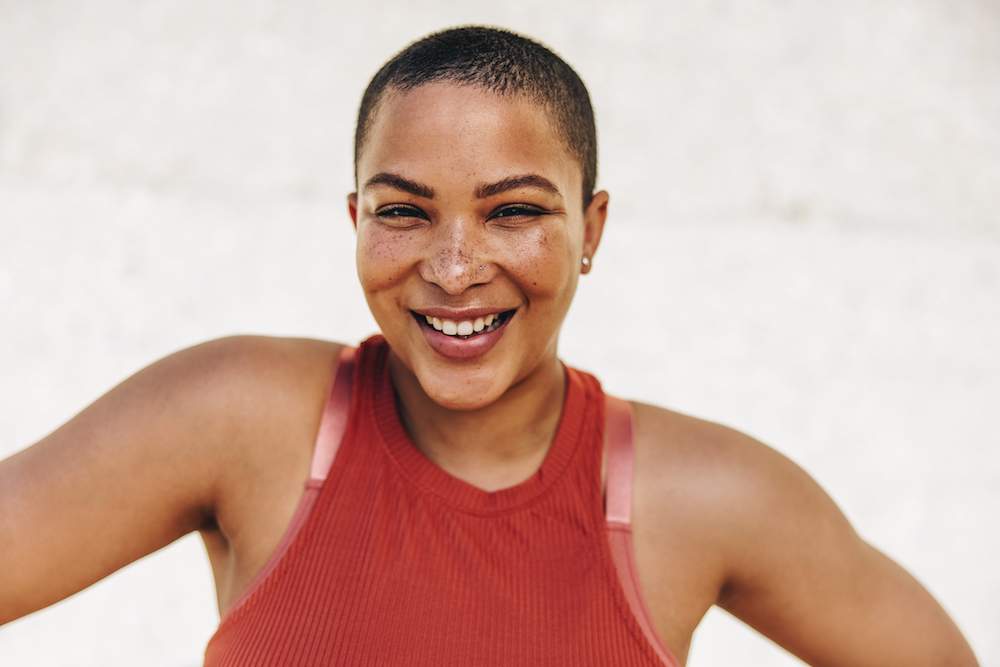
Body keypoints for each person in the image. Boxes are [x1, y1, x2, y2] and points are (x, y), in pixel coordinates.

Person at [0, 25, 979, 667]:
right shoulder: (241, 418)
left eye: (512, 211)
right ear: (353, 217)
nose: (455, 267)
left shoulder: (704, 495)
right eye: (404, 212)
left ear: (590, 228)